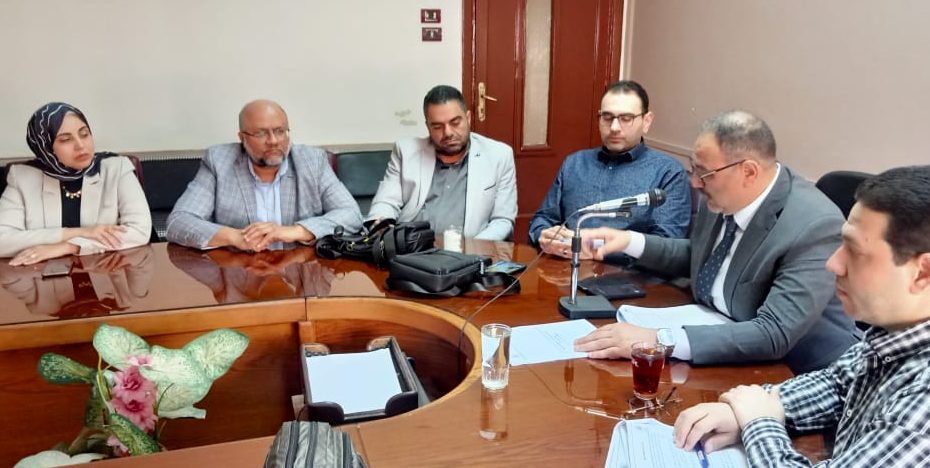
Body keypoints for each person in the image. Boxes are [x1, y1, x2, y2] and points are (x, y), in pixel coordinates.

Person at [673, 165, 930, 466]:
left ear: (922, 272)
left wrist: (759, 423)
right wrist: (750, 408)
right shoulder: (895, 334)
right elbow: (837, 384)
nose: (833, 264)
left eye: (854, 250)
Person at [574, 110, 860, 373]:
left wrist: (658, 339)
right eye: (694, 168)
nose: (695, 183)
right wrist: (627, 241)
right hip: (719, 343)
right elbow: (701, 257)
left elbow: (774, 333)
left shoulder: (813, 226)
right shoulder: (722, 193)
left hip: (796, 372)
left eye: (704, 174)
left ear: (749, 172)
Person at [167, 99, 362, 251]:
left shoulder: (312, 161)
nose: (273, 141)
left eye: (280, 131)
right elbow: (178, 222)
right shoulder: (219, 162)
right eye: (261, 133)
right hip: (241, 274)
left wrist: (296, 231)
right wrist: (236, 237)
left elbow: (351, 214)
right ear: (242, 138)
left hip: (300, 273)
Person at [529, 80, 692, 261]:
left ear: (646, 121)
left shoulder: (668, 173)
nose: (614, 127)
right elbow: (542, 219)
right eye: (607, 117)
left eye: (626, 118)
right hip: (564, 269)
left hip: (628, 275)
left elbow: (664, 247)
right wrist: (543, 235)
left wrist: (592, 247)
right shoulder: (575, 163)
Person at [0, 102, 152, 264]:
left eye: (84, 134)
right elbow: (2, 240)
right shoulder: (22, 177)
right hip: (42, 275)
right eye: (65, 139)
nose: (80, 145)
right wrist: (82, 232)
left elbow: (139, 231)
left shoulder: (116, 168)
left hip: (105, 270)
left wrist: (70, 246)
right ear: (45, 147)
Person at [366, 85, 517, 240]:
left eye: (455, 123)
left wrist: (473, 249)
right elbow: (385, 202)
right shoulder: (405, 151)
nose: (448, 133)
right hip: (414, 248)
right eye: (437, 126)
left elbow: (502, 220)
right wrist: (383, 228)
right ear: (428, 126)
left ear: (468, 118)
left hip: (470, 248)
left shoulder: (498, 156)